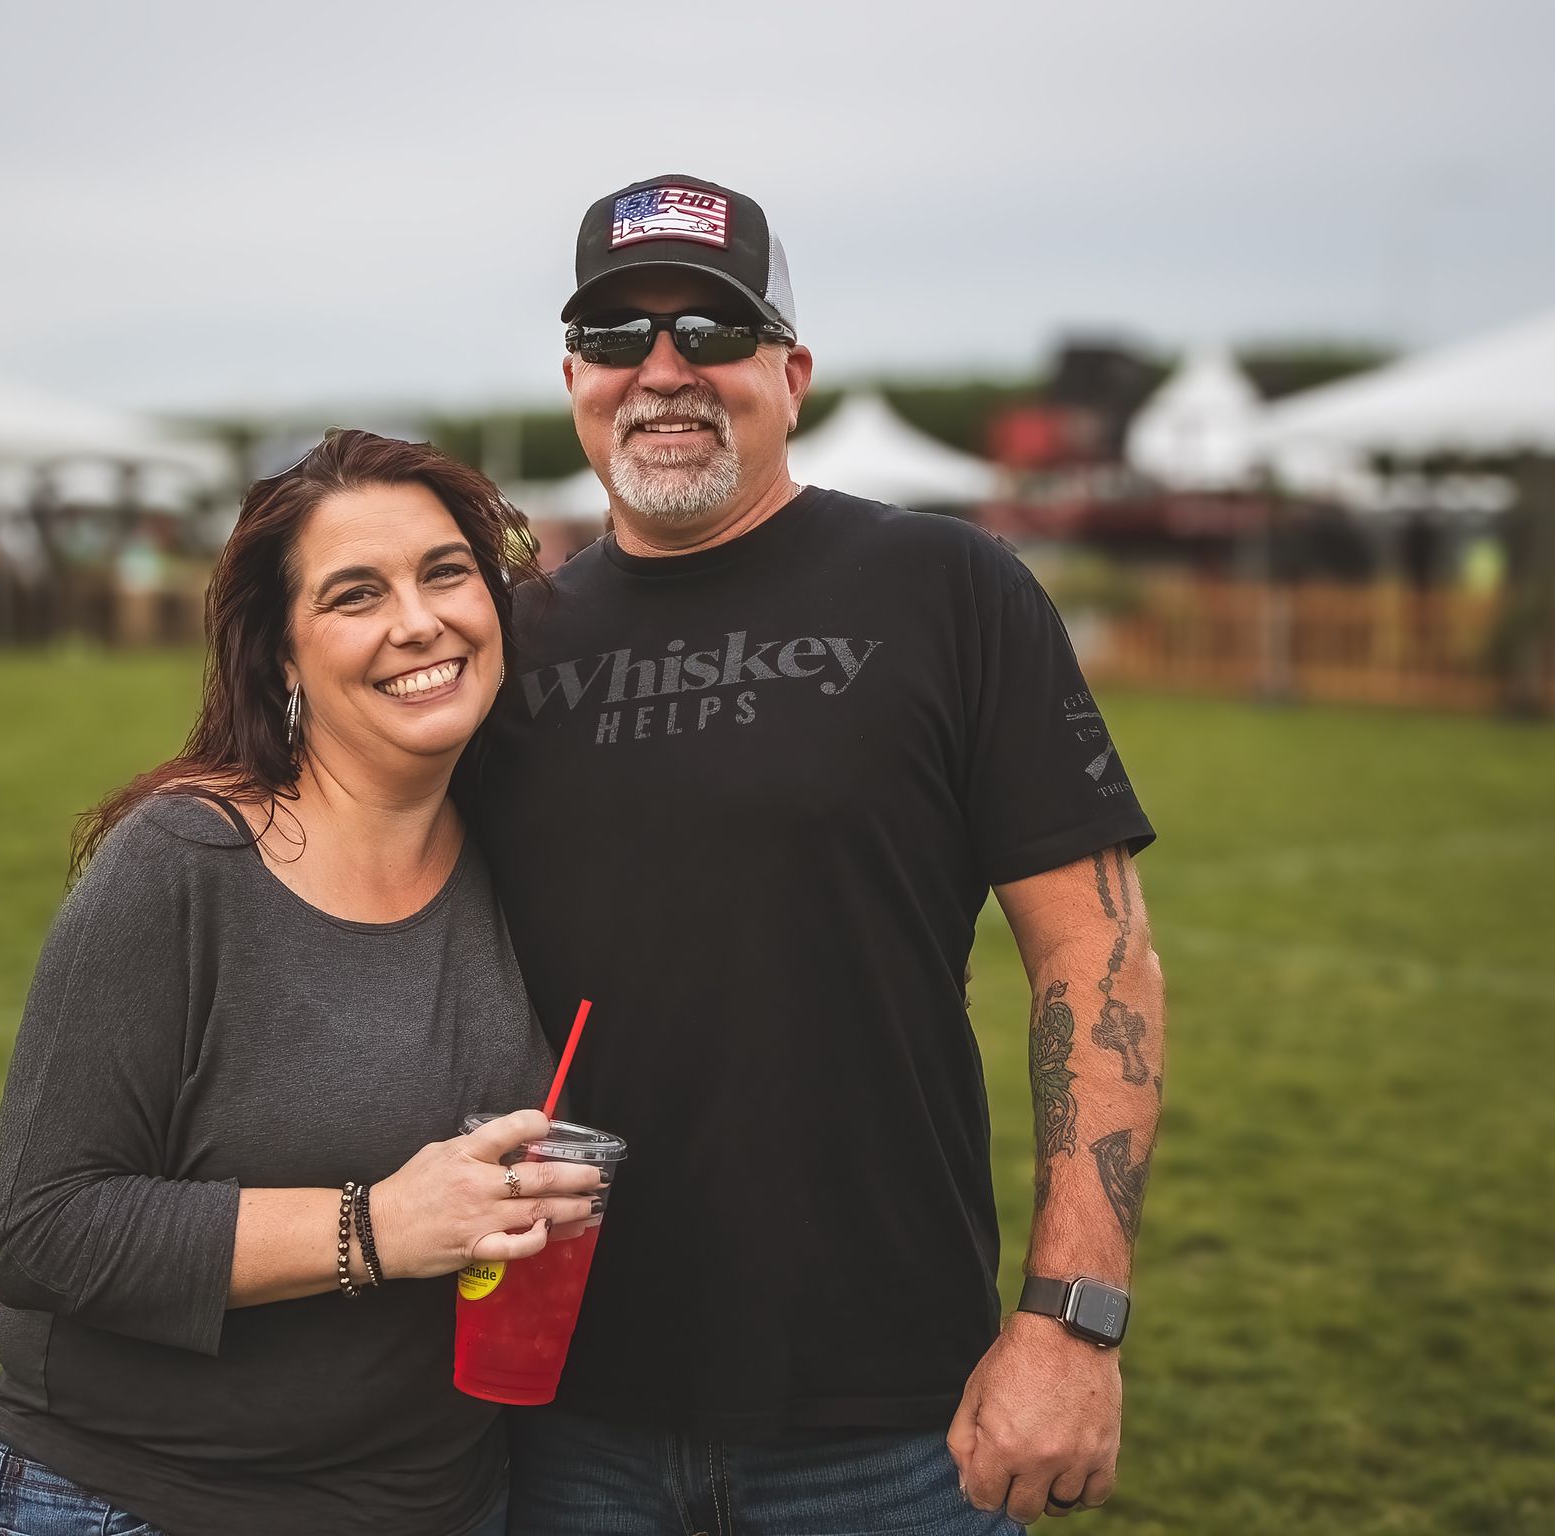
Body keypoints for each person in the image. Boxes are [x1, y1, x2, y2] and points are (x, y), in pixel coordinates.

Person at [468, 175, 1166, 1532]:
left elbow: (1100, 955)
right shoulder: (502, 646)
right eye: (618, 340)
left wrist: (1074, 1324)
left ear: (790, 374)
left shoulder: (947, 589)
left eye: (709, 331)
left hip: (890, 1417)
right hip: (554, 1408)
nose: (661, 371)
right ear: (573, 379)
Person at [0, 431, 607, 1536]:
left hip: (447, 1500)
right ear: (279, 655)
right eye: (356, 594)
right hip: (157, 1502)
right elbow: (37, 1232)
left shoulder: (515, 839)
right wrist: (379, 1228)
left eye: (445, 572)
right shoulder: (185, 861)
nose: (418, 621)